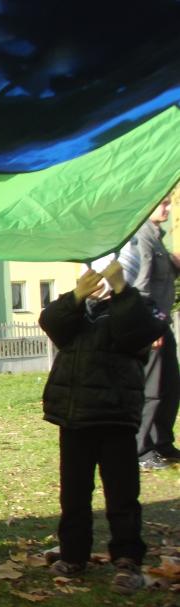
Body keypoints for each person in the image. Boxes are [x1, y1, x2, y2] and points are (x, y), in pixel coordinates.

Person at [39, 261, 167, 594]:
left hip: (115, 415)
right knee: (74, 493)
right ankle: (73, 555)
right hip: (74, 415)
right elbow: (51, 323)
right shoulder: (80, 308)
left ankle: (127, 560)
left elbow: (136, 333)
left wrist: (122, 290)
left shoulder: (139, 306)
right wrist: (76, 296)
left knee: (122, 494)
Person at [117, 196, 179, 470]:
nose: (168, 208)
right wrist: (149, 326)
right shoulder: (141, 237)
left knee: (170, 386)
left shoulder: (157, 236)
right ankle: (142, 451)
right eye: (163, 203)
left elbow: (162, 278)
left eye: (169, 203)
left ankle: (163, 443)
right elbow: (139, 288)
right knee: (152, 390)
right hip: (150, 324)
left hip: (162, 323)